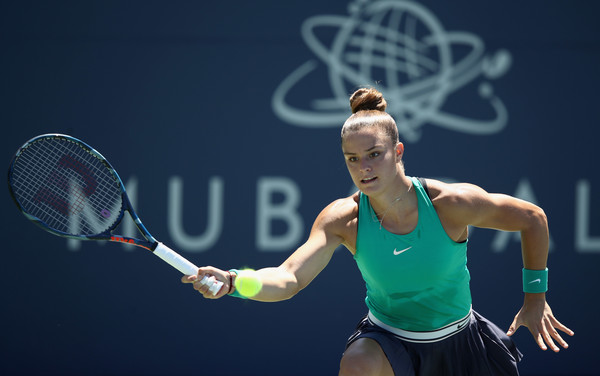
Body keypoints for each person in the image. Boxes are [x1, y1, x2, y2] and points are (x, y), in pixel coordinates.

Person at [182, 87, 573, 375]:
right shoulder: (343, 219)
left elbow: (532, 218)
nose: (364, 167)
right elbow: (288, 278)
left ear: (398, 151)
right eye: (353, 159)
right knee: (356, 364)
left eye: (374, 155)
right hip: (388, 342)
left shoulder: (448, 204)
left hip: (462, 343)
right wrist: (236, 281)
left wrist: (535, 297)